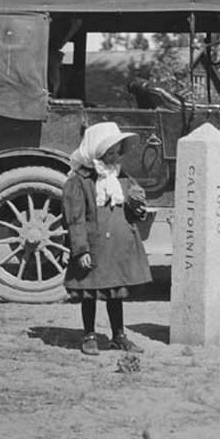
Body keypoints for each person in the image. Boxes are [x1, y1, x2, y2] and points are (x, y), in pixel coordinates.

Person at [63, 122, 152, 356]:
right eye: (108, 153)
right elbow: (75, 218)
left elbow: (131, 208)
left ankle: (118, 335)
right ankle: (89, 334)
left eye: (117, 152)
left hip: (118, 244)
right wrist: (81, 250)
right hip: (95, 244)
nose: (113, 157)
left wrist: (138, 207)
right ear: (96, 152)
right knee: (90, 291)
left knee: (115, 290)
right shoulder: (79, 181)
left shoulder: (121, 177)